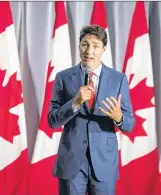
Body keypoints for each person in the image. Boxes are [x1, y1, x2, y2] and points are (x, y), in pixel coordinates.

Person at [48, 24, 135, 195]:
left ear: (103, 49)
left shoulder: (118, 79)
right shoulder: (63, 77)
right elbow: (52, 120)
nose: (89, 51)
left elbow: (130, 123)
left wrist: (119, 118)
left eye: (95, 46)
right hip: (71, 160)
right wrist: (75, 102)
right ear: (79, 46)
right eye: (85, 44)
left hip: (104, 161)